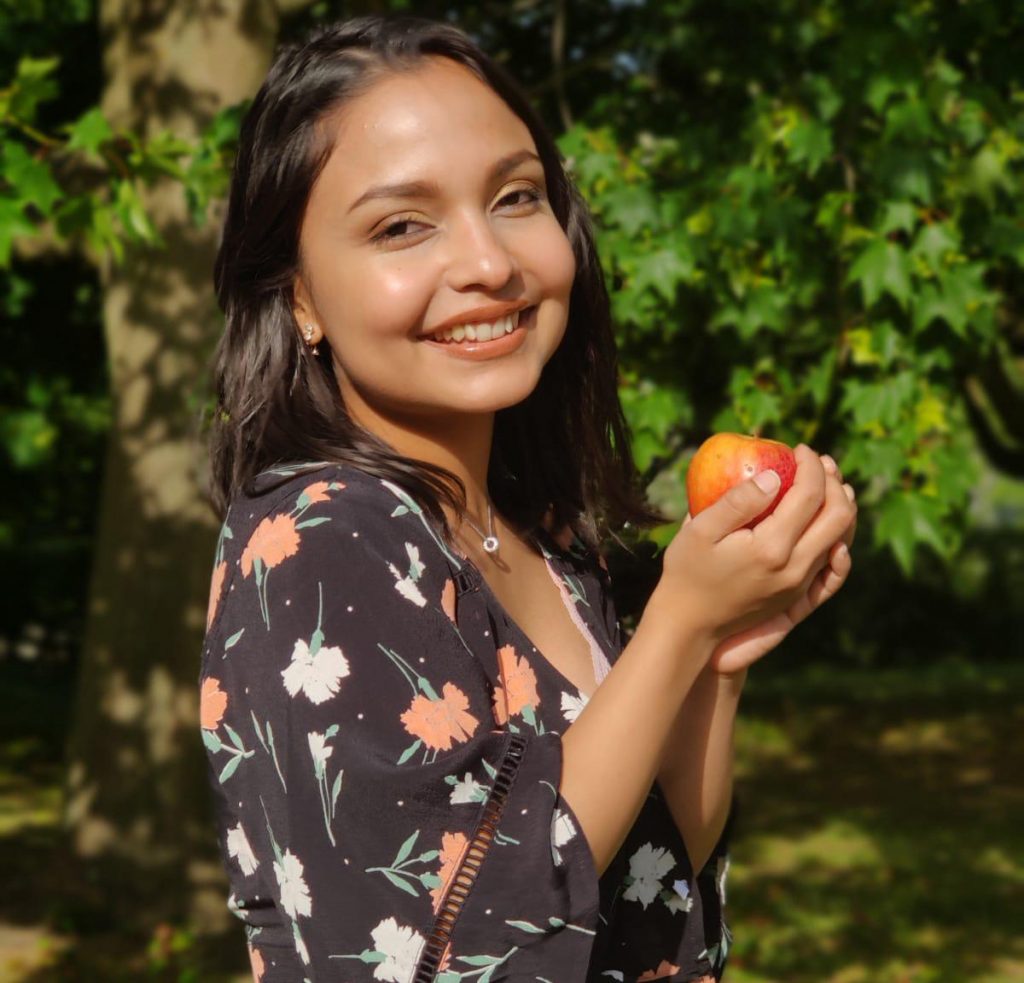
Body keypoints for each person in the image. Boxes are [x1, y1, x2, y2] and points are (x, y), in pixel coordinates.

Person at [198, 14, 858, 983]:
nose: (488, 262)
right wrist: (676, 621)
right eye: (401, 225)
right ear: (298, 295)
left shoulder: (537, 534)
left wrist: (715, 651)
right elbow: (461, 925)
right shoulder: (320, 539)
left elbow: (657, 861)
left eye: (515, 196)